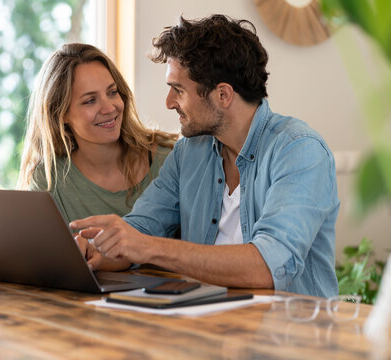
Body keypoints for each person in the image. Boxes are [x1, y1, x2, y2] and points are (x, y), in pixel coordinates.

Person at [70, 15, 340, 298]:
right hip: (206, 325)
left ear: (223, 95)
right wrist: (99, 251)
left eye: (178, 90)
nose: (169, 102)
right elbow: (141, 228)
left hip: (289, 334)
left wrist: (148, 246)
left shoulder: (299, 150)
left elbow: (268, 267)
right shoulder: (189, 152)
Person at [0, 43, 178, 279]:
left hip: (174, 304)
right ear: (61, 113)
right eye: (89, 101)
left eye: (112, 92)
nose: (109, 107)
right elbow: (35, 257)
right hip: (88, 307)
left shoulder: (170, 159)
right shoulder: (49, 177)